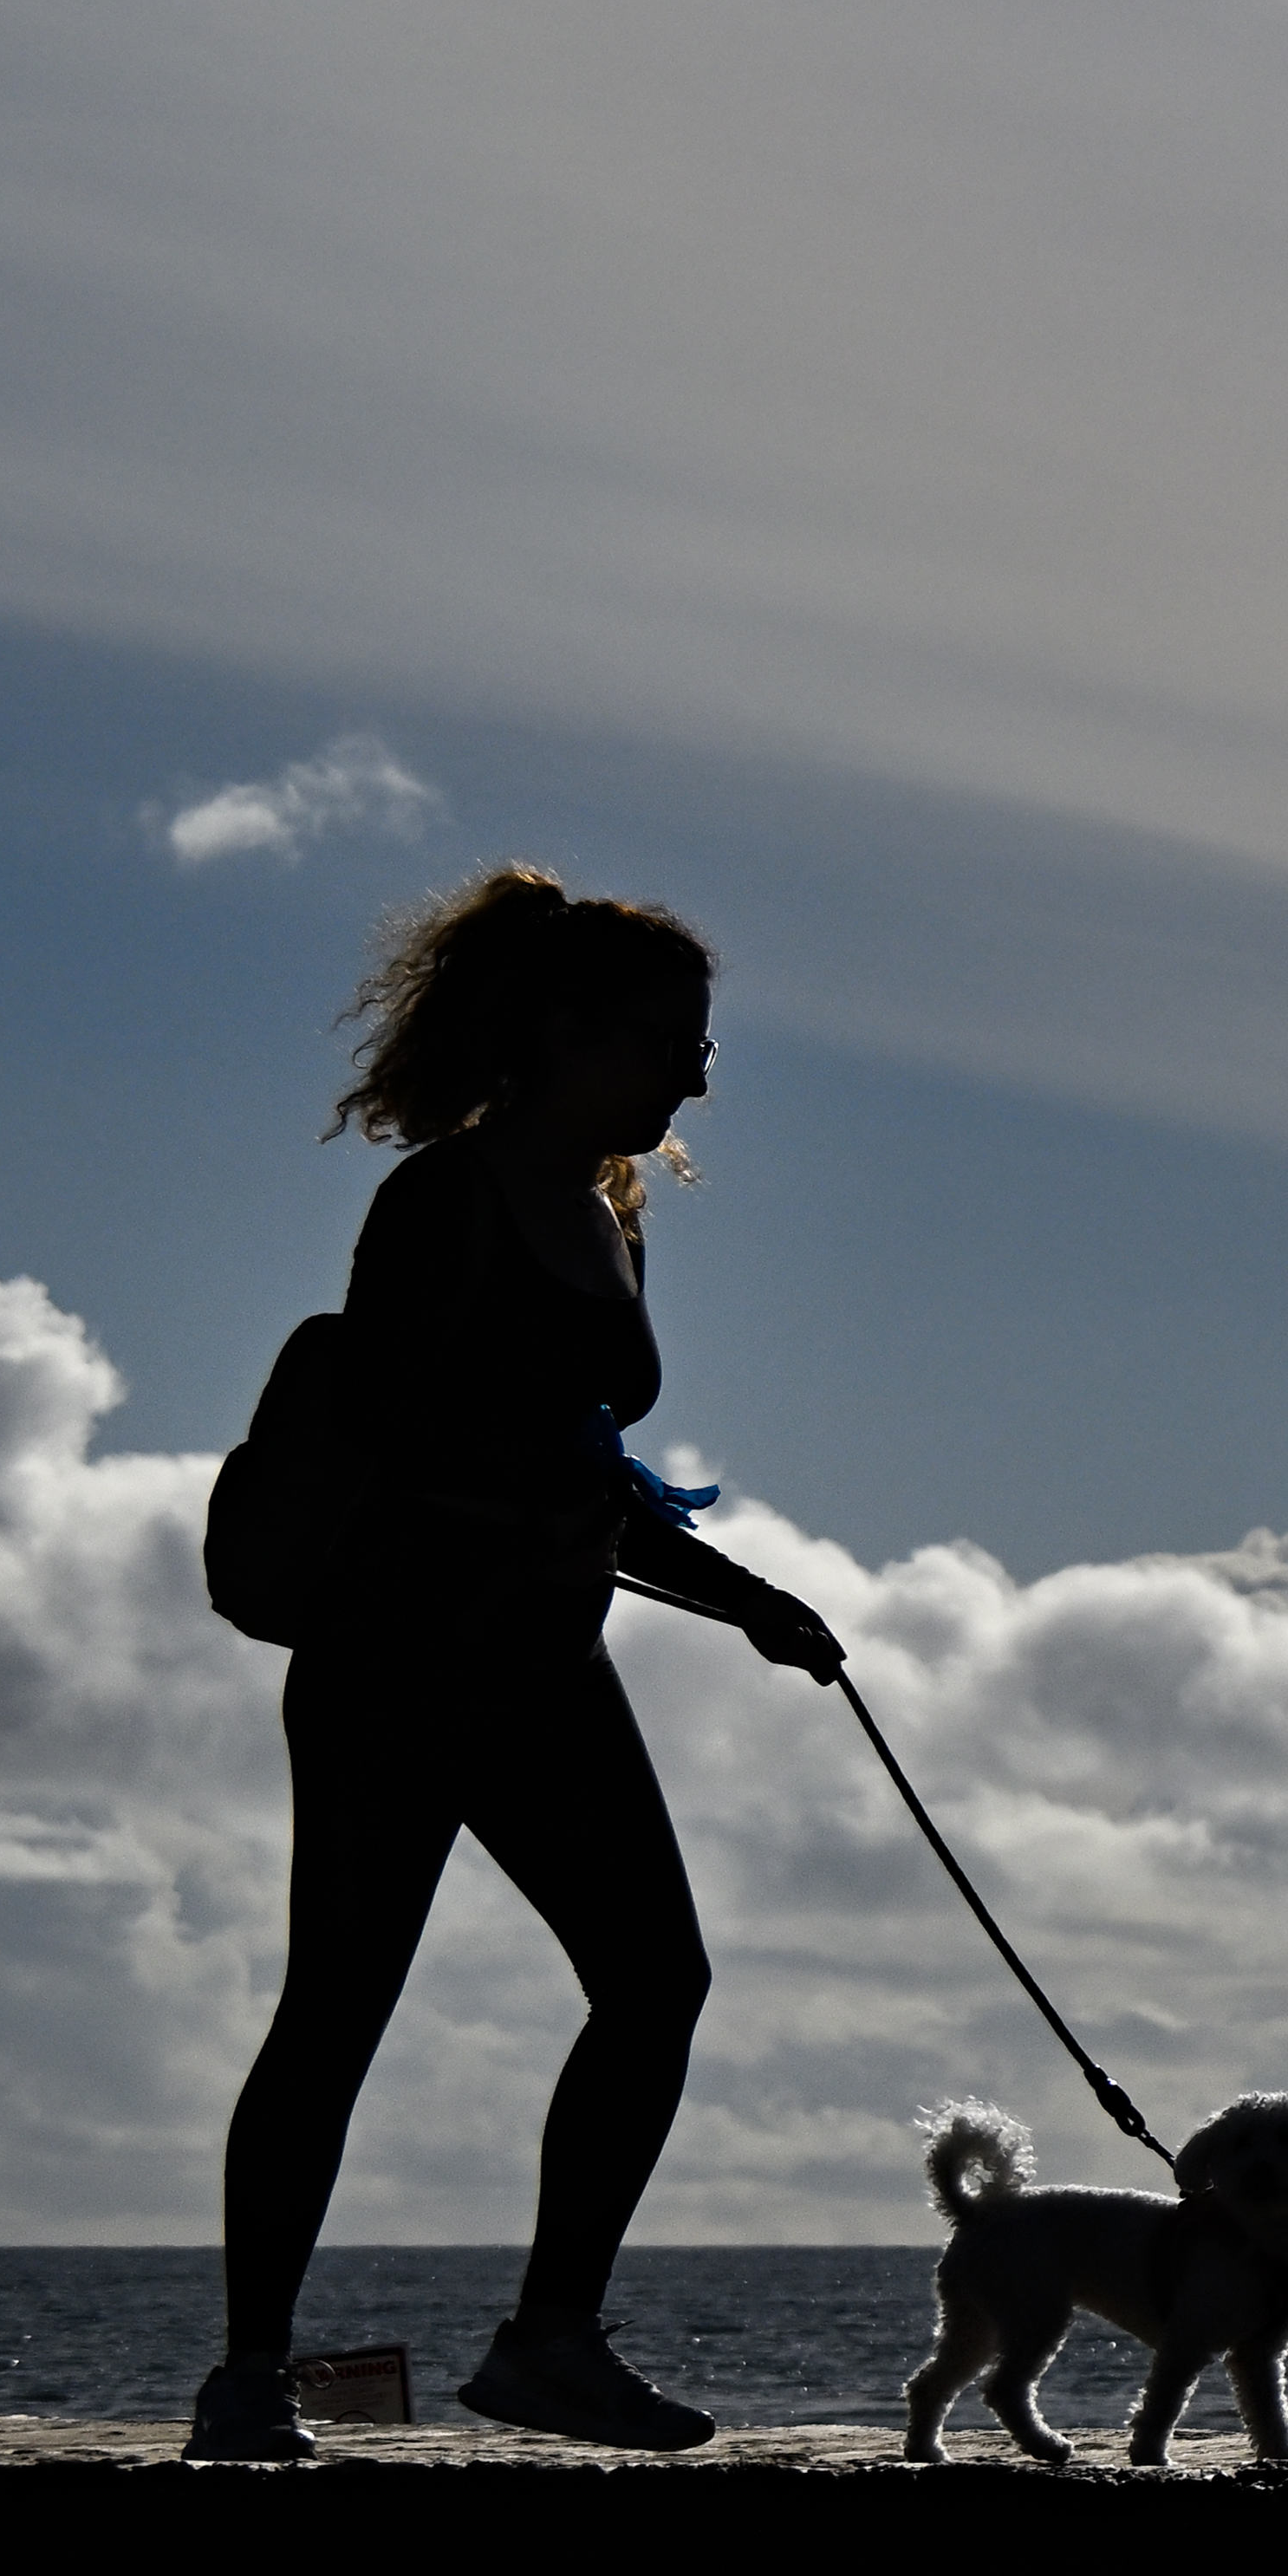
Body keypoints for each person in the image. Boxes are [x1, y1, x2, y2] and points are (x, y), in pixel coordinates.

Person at [187, 868, 846, 2464]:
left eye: (705, 1046)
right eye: (671, 1039)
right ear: (561, 1031)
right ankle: (251, 2377)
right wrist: (551, 1505)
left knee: (655, 1982)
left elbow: (595, 1468)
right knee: (339, 2009)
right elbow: (405, 1433)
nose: (696, 1073)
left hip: (542, 1658)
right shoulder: (444, 1200)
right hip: (401, 1659)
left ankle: (549, 2341)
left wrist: (751, 1596)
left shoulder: (612, 1212)